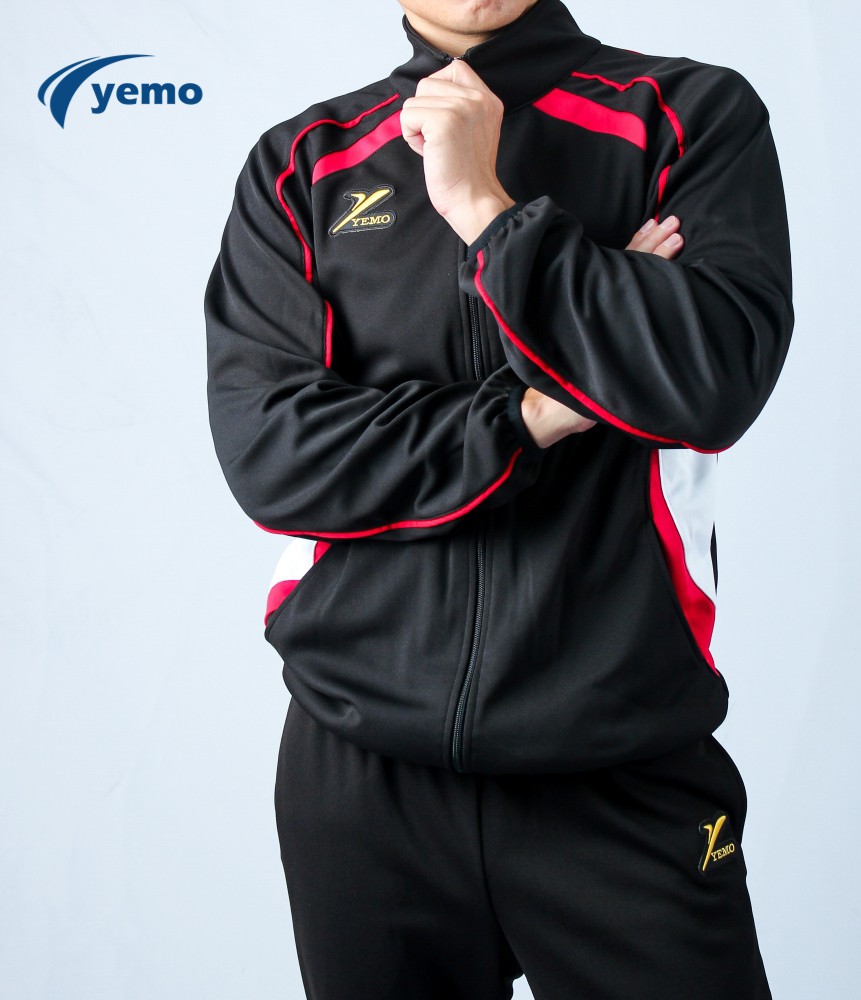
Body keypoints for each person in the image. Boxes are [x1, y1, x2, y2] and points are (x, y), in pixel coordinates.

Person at [204, 0, 793, 996]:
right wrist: (530, 411)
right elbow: (271, 453)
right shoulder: (305, 164)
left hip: (620, 760)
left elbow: (710, 377)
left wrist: (488, 210)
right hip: (361, 776)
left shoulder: (683, 114)